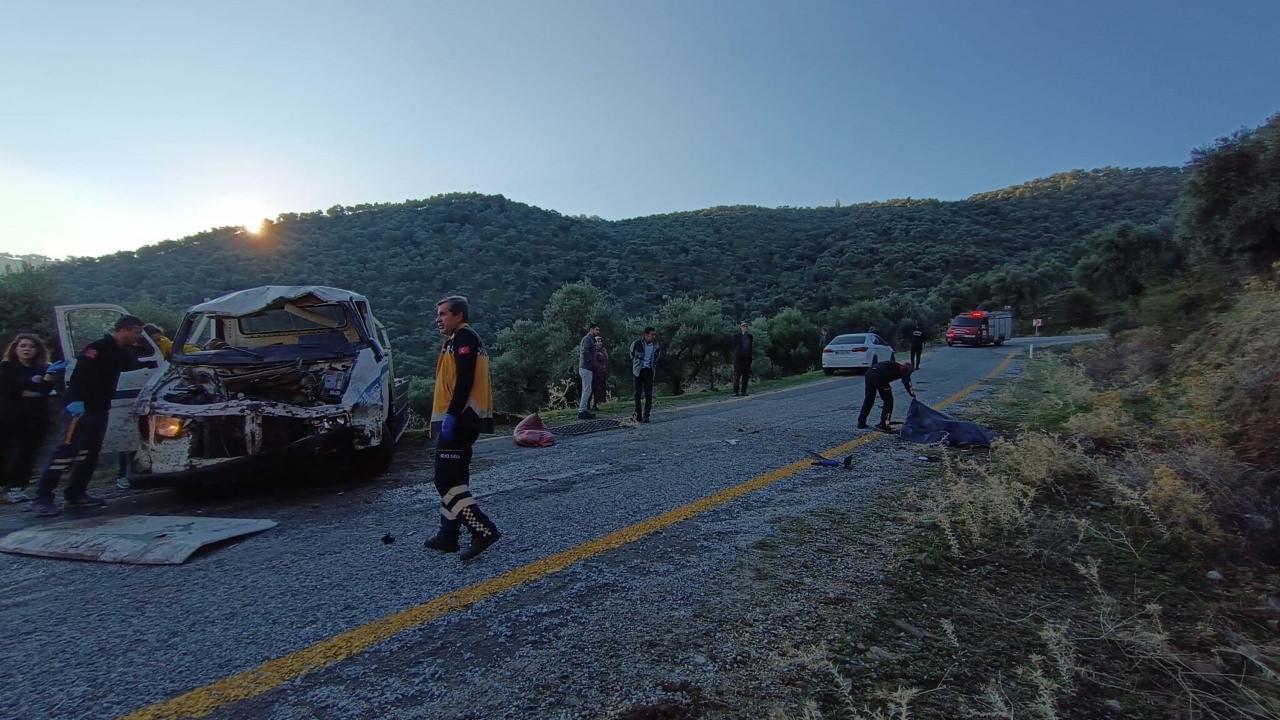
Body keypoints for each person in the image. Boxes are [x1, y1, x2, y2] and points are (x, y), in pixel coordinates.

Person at [31, 315, 145, 516]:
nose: (138, 336)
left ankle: (76, 494)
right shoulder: (98, 347)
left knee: (89, 452)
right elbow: (80, 374)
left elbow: (131, 366)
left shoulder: (122, 352)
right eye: (136, 332)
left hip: (100, 407)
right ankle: (43, 497)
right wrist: (76, 399)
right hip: (80, 406)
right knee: (66, 451)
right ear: (124, 329)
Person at [423, 295, 501, 561]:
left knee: (445, 480)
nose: (439, 320)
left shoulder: (465, 339)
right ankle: (448, 534)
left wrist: (452, 415)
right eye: (438, 315)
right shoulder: (456, 341)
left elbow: (465, 379)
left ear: (459, 316)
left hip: (462, 419)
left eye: (443, 314)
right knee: (456, 479)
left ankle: (483, 529)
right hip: (460, 419)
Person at [0, 334, 57, 504]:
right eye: (23, 346)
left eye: (31, 346)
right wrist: (32, 393)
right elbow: (7, 389)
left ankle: (17, 487)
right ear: (15, 348)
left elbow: (48, 389)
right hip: (8, 417)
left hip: (36, 418)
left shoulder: (44, 368)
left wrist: (45, 383)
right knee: (3, 451)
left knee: (28, 453)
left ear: (38, 349)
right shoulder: (6, 367)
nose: (27, 349)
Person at [857, 360, 916, 432]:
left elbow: (906, 381)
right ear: (908, 369)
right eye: (910, 372)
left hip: (869, 373)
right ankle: (884, 424)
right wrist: (912, 394)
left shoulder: (897, 366)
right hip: (880, 376)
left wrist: (911, 392)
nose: (909, 374)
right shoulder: (905, 369)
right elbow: (907, 382)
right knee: (888, 402)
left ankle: (861, 422)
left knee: (869, 399)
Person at [629, 327, 662, 423]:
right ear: (646, 335)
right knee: (637, 394)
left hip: (649, 371)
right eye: (652, 334)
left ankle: (646, 415)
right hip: (638, 371)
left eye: (654, 334)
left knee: (648, 394)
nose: (654, 336)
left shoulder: (656, 345)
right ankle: (638, 415)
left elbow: (657, 357)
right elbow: (631, 354)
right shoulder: (637, 343)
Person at [577, 324, 601, 419]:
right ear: (591, 329)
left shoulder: (590, 339)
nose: (598, 331)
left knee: (587, 389)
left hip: (587, 367)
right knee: (587, 389)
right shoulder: (587, 339)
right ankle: (582, 411)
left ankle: (583, 410)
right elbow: (585, 351)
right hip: (586, 368)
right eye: (596, 329)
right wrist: (592, 363)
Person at [731, 321, 754, 397]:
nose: (745, 328)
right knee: (737, 376)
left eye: (746, 327)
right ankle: (735, 391)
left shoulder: (750, 337)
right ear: (741, 328)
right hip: (738, 360)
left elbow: (750, 348)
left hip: (747, 360)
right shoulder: (736, 336)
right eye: (744, 326)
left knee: (745, 376)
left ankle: (743, 391)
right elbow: (733, 347)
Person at [591, 336, 608, 411]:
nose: (599, 343)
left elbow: (606, 359)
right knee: (594, 388)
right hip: (595, 372)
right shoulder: (593, 351)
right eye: (598, 341)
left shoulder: (603, 350)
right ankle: (591, 404)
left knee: (600, 389)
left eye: (600, 341)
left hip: (602, 372)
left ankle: (596, 404)